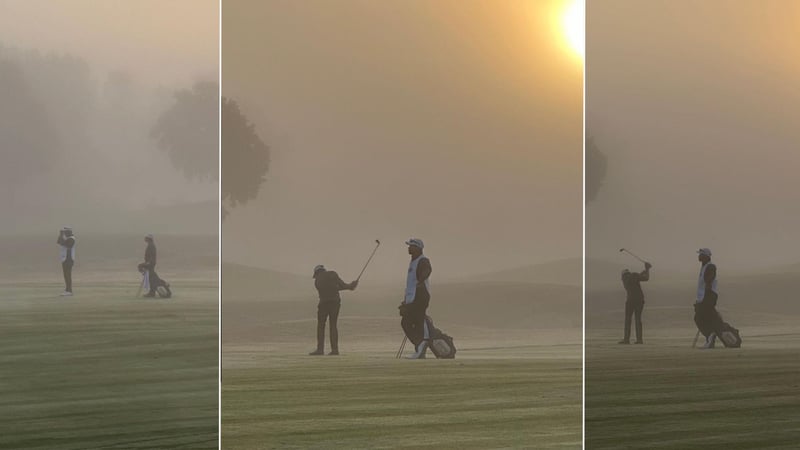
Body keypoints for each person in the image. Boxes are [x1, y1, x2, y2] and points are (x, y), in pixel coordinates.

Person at [309, 265, 358, 355]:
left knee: (321, 326)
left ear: (316, 273)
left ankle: (320, 349)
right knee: (333, 325)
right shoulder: (333, 274)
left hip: (323, 303)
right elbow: (340, 286)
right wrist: (350, 286)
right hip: (335, 303)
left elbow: (332, 288)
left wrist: (350, 286)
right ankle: (335, 350)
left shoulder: (317, 281)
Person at [399, 238, 432, 359]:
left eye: (411, 246)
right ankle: (420, 345)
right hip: (412, 297)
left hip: (421, 295)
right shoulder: (413, 261)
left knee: (417, 321)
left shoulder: (423, 260)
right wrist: (405, 301)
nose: (409, 248)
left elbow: (427, 270)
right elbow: (410, 284)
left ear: (418, 248)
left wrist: (421, 279)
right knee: (406, 322)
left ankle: (421, 345)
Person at [694, 248, 722, 349]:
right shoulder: (704, 266)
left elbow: (708, 282)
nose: (699, 256)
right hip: (704, 297)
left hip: (708, 296)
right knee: (703, 318)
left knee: (699, 318)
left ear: (706, 256)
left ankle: (710, 336)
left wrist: (706, 299)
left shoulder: (710, 266)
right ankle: (710, 338)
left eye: (701, 254)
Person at [619, 262, 651, 344]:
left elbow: (635, 278)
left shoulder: (626, 280)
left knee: (628, 320)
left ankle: (626, 339)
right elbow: (646, 278)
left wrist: (644, 270)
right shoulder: (634, 275)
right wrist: (647, 269)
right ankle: (639, 339)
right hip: (639, 300)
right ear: (628, 272)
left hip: (630, 300)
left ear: (623, 276)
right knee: (638, 319)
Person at [56, 227, 76, 296]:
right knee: (66, 275)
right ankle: (67, 289)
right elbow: (59, 242)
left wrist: (62, 236)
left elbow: (65, 244)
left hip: (69, 259)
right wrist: (60, 235)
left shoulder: (72, 239)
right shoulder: (67, 238)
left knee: (68, 275)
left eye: (65, 232)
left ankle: (69, 290)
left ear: (69, 232)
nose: (65, 233)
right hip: (65, 259)